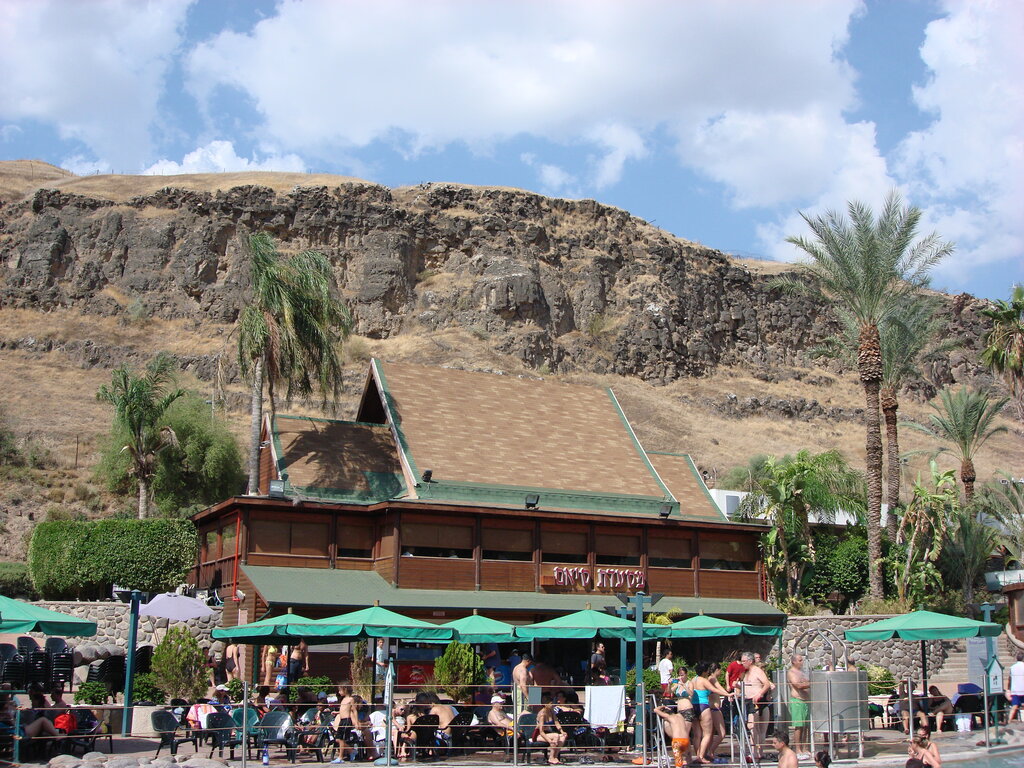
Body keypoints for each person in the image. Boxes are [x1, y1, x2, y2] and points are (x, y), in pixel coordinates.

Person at [692, 660, 732, 765]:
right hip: (703, 707)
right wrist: (728, 695)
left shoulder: (693, 679)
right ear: (705, 671)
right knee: (707, 734)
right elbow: (715, 690)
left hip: (694, 706)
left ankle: (698, 755)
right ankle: (701, 756)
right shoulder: (704, 680)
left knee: (697, 735)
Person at [741, 651, 772, 760]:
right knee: (753, 728)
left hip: (758, 701)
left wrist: (760, 693)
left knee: (757, 729)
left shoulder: (757, 671)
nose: (742, 663)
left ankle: (758, 752)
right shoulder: (745, 672)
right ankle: (754, 752)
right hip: (749, 701)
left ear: (750, 661)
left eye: (744, 661)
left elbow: (767, 684)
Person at [787, 653, 811, 761]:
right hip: (797, 700)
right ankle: (798, 749)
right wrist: (809, 683)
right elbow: (798, 685)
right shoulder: (791, 672)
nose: (802, 662)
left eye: (802, 660)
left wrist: (805, 683)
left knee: (806, 725)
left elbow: (803, 683)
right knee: (799, 725)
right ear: (794, 661)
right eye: (800, 660)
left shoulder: (801, 672)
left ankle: (805, 747)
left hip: (805, 701)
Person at [535, 700, 567, 765]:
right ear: (545, 704)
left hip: (548, 733)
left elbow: (556, 722)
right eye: (550, 703)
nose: (552, 705)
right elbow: (541, 731)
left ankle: (555, 756)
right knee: (556, 736)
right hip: (539, 735)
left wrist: (562, 731)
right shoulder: (542, 714)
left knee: (563, 736)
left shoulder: (551, 711)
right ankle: (551, 757)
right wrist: (549, 740)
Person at [1006, 651, 1024, 724]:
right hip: (1023, 688)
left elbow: (1009, 679)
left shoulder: (1012, 667)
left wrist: (1008, 689)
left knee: (1014, 706)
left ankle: (1009, 720)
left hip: (1015, 689)